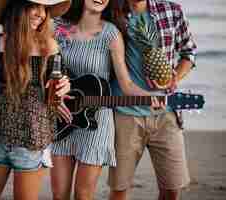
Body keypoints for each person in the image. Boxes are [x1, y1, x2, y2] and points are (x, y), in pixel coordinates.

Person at [50, 0, 155, 199]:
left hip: (96, 122)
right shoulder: (58, 26)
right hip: (61, 118)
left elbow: (126, 85)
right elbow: (44, 68)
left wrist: (151, 98)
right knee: (59, 194)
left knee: (83, 194)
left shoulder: (111, 34)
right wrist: (53, 98)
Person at [0, 0, 71, 199]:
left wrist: (64, 86)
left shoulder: (50, 47)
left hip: (32, 141)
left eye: (44, 9)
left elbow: (57, 91)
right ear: (16, 8)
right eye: (34, 6)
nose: (41, 14)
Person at [108, 0, 197, 200]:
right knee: (119, 188)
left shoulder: (172, 10)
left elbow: (189, 52)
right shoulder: (112, 12)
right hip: (126, 114)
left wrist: (175, 77)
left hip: (166, 114)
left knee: (172, 188)